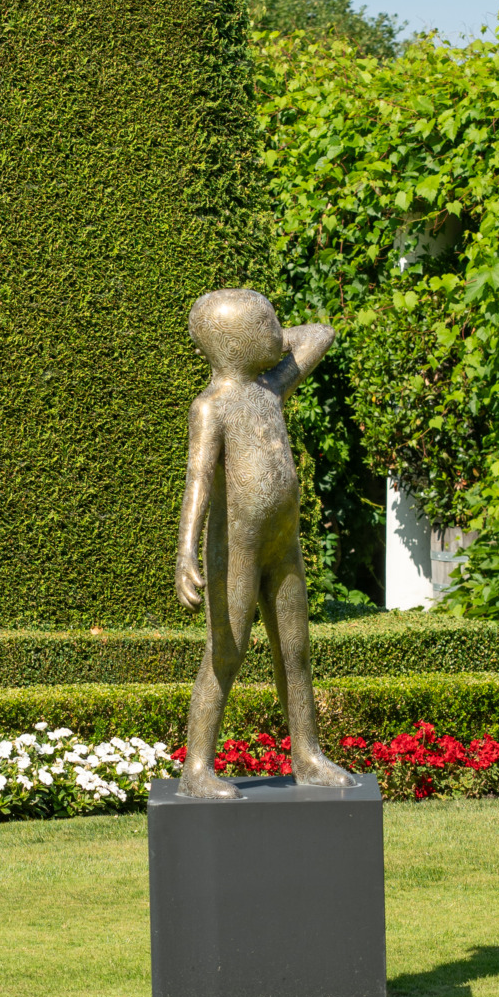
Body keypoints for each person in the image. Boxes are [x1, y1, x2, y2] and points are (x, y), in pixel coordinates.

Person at [174, 288, 353, 799]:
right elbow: (199, 481)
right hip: (237, 546)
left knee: (294, 649)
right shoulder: (212, 406)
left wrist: (269, 335)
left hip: (282, 543)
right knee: (226, 652)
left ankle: (307, 755)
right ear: (235, 342)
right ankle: (197, 769)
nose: (278, 333)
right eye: (266, 325)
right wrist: (185, 551)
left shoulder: (270, 387)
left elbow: (321, 334)